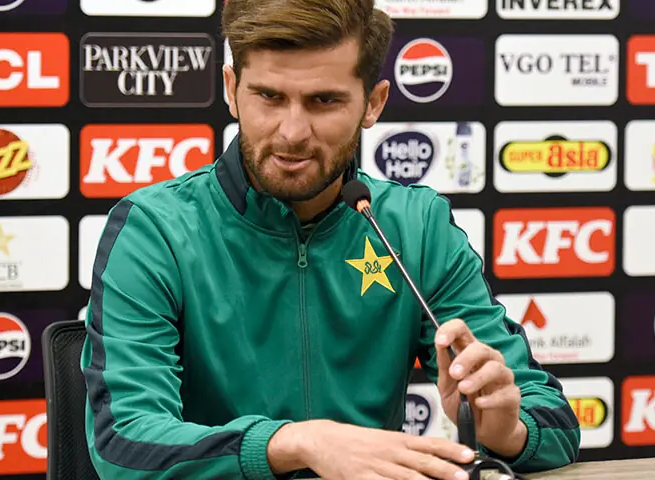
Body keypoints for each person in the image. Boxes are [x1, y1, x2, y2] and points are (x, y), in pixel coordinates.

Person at [79, 0, 581, 478]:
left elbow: (555, 425)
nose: (293, 132)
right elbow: (125, 445)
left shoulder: (417, 226)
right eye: (269, 97)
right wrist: (298, 443)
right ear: (232, 89)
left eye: (324, 101)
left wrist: (505, 429)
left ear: (374, 102)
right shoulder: (155, 229)